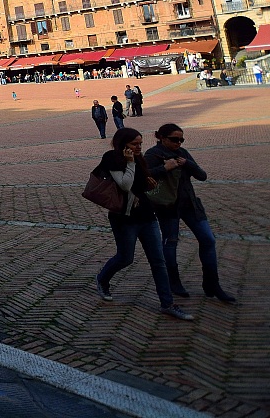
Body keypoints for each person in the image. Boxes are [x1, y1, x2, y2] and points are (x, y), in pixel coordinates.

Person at [93, 128, 193, 320]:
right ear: (123, 144)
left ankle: (167, 304)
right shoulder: (112, 158)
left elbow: (140, 183)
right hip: (124, 218)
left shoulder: (139, 158)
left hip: (146, 215)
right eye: (134, 144)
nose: (139, 147)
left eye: (140, 143)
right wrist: (130, 162)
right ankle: (103, 279)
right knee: (125, 258)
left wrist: (149, 184)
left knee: (158, 261)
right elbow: (124, 184)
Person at [145, 123, 236, 303]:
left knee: (208, 239)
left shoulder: (183, 153)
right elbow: (144, 177)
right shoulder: (152, 154)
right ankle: (174, 281)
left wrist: (188, 163)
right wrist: (165, 168)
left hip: (190, 204)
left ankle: (212, 283)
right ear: (161, 138)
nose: (178, 143)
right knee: (170, 243)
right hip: (168, 206)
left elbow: (202, 175)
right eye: (174, 139)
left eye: (181, 139)